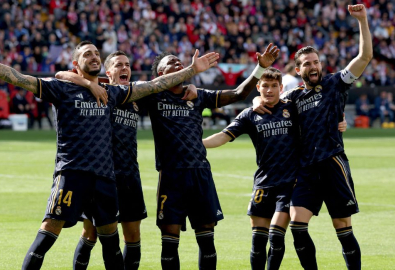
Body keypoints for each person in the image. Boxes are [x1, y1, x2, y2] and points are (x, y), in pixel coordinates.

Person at [0, 39, 218, 270]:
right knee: (50, 231)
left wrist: (192, 71)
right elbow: (18, 77)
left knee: (111, 243)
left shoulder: (113, 94)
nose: (93, 57)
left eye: (96, 54)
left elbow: (155, 84)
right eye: (87, 55)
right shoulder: (62, 88)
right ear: (76, 64)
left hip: (105, 179)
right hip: (72, 172)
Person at [252, 5, 371, 270]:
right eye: (307, 64)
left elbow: (364, 56)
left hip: (333, 164)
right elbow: (268, 95)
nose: (313, 67)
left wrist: (362, 20)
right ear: (297, 70)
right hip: (305, 169)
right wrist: (257, 97)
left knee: (342, 226)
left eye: (316, 62)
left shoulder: (335, 83)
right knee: (297, 225)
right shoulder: (292, 98)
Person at [56, 51, 199, 270]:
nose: (125, 69)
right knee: (90, 233)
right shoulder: (97, 90)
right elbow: (61, 75)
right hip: (102, 176)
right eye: (119, 65)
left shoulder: (137, 96)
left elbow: (162, 85)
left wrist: (190, 86)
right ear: (108, 71)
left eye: (128, 65)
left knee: (133, 236)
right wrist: (87, 82)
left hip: (130, 175)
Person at [147, 44, 278, 269]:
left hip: (200, 174)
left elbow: (238, 94)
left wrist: (259, 68)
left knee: (207, 241)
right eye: (170, 63)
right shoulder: (152, 96)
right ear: (161, 74)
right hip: (171, 176)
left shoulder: (199, 96)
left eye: (179, 61)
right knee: (169, 242)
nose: (177, 63)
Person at [202, 68, 347, 270]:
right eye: (265, 86)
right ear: (258, 88)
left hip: (290, 184)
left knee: (276, 235)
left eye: (273, 86)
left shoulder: (292, 108)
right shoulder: (249, 115)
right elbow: (223, 136)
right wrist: (198, 144)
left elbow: (318, 115)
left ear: (281, 88)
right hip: (264, 183)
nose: (269, 90)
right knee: (258, 242)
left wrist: (340, 121)